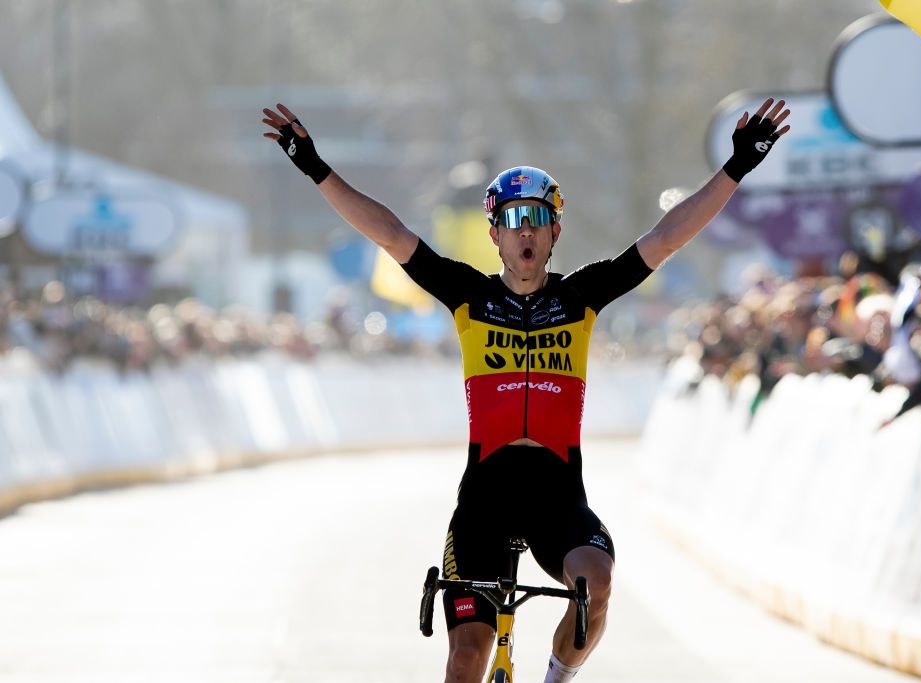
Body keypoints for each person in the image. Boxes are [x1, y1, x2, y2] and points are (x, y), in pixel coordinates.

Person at [262, 98, 790, 683]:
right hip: (483, 501)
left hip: (556, 498)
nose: (526, 233)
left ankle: (554, 679)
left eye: (537, 219)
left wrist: (736, 168)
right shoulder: (467, 295)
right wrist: (312, 165)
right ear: (494, 233)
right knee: (467, 658)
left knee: (597, 580)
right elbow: (388, 232)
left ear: (556, 230)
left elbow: (666, 237)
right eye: (513, 222)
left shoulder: (581, 297)